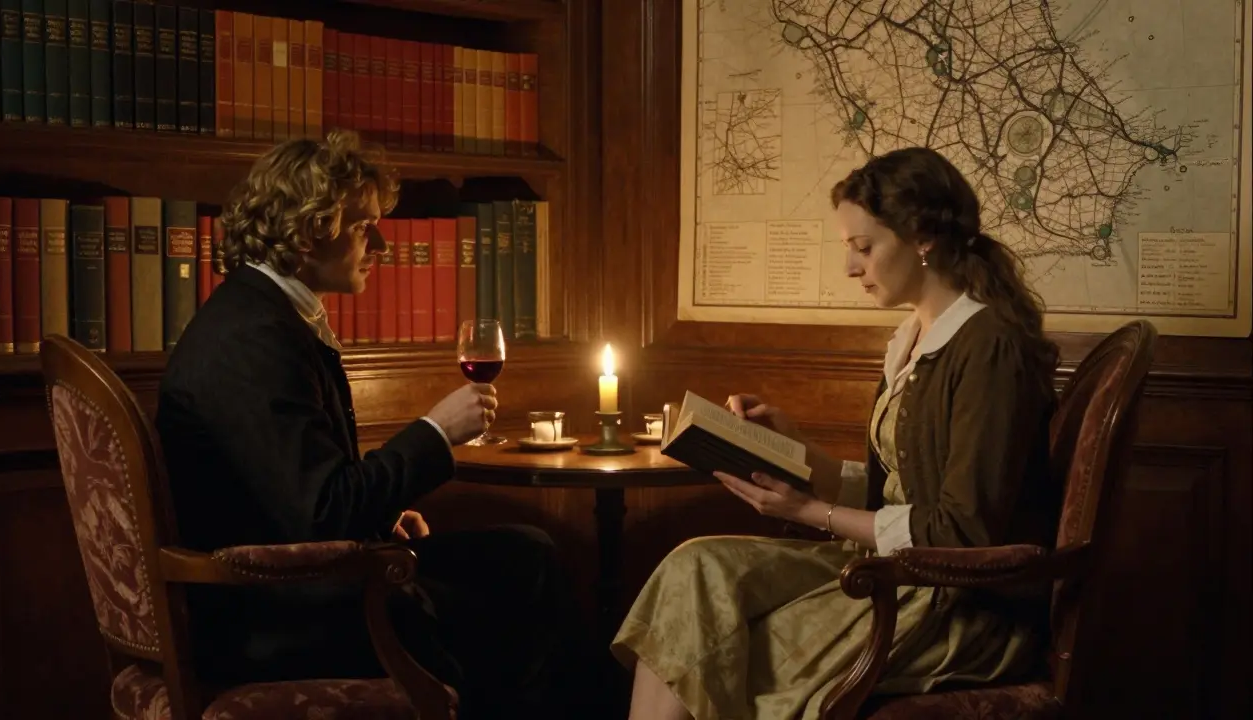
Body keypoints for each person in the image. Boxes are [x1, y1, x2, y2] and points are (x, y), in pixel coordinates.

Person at [611, 146, 1065, 720]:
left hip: (954, 601)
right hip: (890, 572)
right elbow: (893, 495)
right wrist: (793, 448)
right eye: (849, 249)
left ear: (922, 236)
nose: (851, 268)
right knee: (694, 569)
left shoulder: (989, 346)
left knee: (724, 646)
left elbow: (963, 530)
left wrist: (808, 512)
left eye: (864, 248)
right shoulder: (911, 340)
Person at [155, 130, 589, 719]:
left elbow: (291, 485)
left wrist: (380, 520)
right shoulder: (253, 339)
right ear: (310, 232)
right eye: (362, 227)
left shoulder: (264, 315)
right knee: (513, 597)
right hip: (268, 610)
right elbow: (321, 511)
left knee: (526, 554)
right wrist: (435, 432)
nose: (380, 242)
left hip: (299, 579)